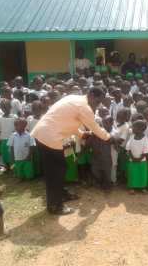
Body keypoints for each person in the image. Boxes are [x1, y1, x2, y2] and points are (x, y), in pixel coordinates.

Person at [31, 87, 112, 215]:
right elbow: (95, 128)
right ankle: (55, 206)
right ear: (91, 94)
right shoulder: (84, 107)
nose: (97, 104)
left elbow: (67, 121)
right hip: (49, 138)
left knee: (59, 168)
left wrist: (81, 134)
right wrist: (110, 138)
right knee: (55, 172)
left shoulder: (73, 98)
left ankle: (61, 195)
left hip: (44, 134)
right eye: (97, 101)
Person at [125, 119, 148, 194]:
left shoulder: (145, 139)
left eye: (133, 127)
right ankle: (132, 187)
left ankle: (142, 187)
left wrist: (140, 158)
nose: (132, 129)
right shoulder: (132, 137)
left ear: (140, 129)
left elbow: (146, 151)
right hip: (132, 160)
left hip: (142, 161)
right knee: (132, 174)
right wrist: (132, 157)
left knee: (142, 174)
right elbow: (128, 148)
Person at [0, 99, 16, 170]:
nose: (5, 109)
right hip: (3, 139)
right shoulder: (0, 118)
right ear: (1, 108)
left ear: (10, 107)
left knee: (13, 154)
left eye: (7, 107)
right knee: (5, 154)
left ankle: (14, 167)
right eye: (3, 107)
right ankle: (7, 166)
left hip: (13, 140)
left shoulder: (14, 117)